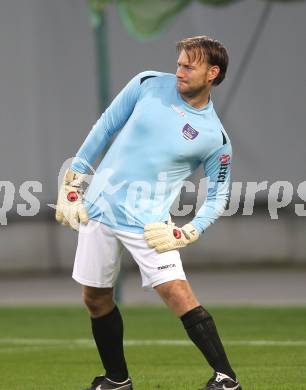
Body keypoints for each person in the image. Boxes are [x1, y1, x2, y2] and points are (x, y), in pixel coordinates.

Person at [56, 35, 242, 390]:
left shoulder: (214, 137)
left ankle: (227, 378)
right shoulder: (146, 83)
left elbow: (217, 197)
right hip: (98, 208)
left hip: (148, 224)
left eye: (190, 66)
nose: (180, 71)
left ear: (212, 73)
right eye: (179, 63)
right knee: (94, 297)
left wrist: (190, 230)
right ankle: (117, 379)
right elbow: (106, 126)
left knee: (178, 294)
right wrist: (75, 176)